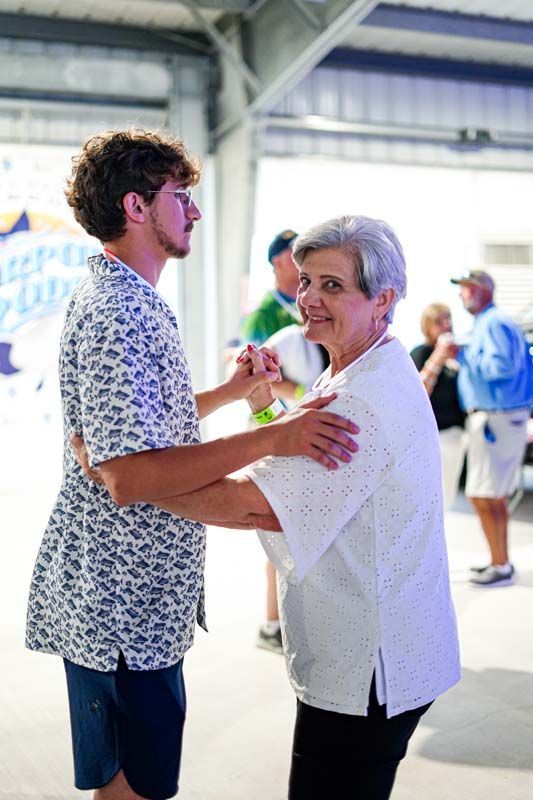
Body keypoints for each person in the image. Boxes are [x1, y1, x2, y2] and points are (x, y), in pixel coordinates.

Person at [24, 129, 360, 800]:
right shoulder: (122, 310)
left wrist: (233, 395)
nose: (196, 212)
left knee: (131, 780)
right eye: (182, 197)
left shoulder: (122, 297)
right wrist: (275, 437)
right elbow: (130, 475)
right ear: (137, 206)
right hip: (121, 604)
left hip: (124, 600)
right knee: (134, 788)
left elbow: (136, 431)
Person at [78, 215, 460, 800]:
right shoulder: (355, 365)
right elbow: (298, 460)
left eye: (333, 285)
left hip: (371, 666)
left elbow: (254, 506)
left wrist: (126, 476)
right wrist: (258, 406)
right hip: (376, 647)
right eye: (305, 281)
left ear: (383, 299)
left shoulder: (364, 398)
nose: (309, 299)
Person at [242, 230, 329, 653]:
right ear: (278, 263)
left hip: (303, 426)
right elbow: (247, 368)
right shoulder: (266, 314)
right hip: (278, 426)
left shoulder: (305, 305)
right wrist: (301, 396)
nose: (307, 282)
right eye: (297, 262)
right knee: (279, 526)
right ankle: (272, 622)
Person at [451, 269, 533, 587]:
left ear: (484, 290)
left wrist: (464, 354)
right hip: (496, 418)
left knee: (485, 496)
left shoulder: (494, 323)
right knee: (490, 496)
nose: (461, 295)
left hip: (496, 418)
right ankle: (499, 562)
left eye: (466, 288)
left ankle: (500, 565)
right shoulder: (489, 322)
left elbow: (501, 367)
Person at [410, 303, 466, 510]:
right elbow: (419, 392)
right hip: (430, 436)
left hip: (455, 435)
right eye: (440, 321)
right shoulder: (421, 353)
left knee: (447, 497)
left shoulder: (457, 357)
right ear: (428, 325)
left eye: (449, 319)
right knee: (427, 498)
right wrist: (439, 355)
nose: (447, 325)